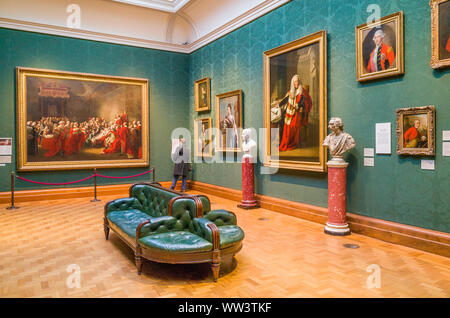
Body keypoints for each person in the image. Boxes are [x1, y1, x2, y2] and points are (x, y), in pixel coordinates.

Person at [277, 74, 312, 151]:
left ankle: (292, 143)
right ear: (293, 82)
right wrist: (279, 104)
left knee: (292, 125)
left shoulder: (302, 91)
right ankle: (285, 142)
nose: (296, 83)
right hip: (290, 111)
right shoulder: (291, 91)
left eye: (298, 82)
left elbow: (303, 103)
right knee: (283, 121)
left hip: (297, 112)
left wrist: (297, 106)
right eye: (295, 82)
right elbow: (286, 99)